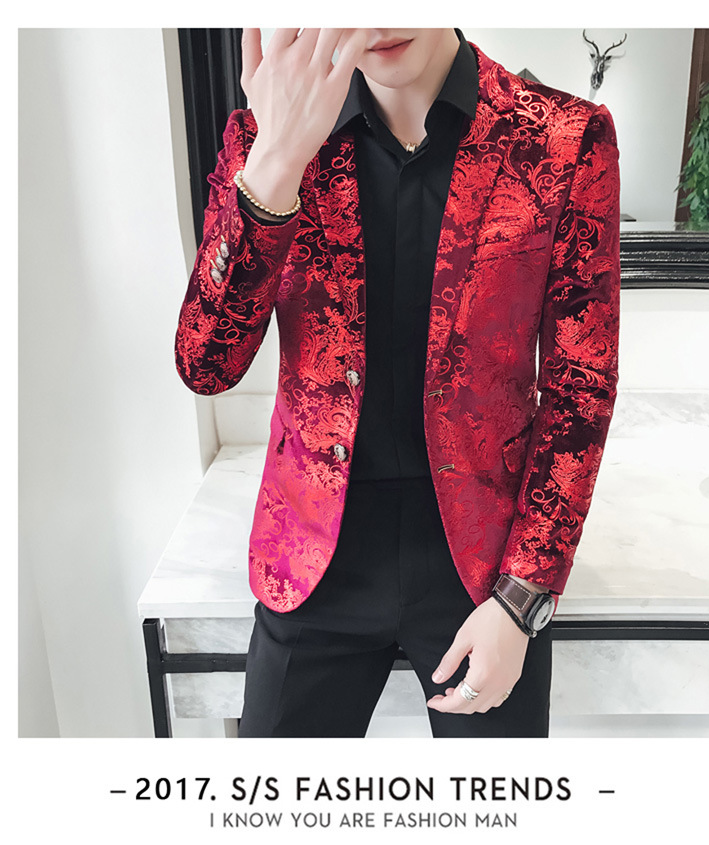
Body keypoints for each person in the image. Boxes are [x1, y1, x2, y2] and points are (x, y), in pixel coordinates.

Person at [174, 28, 620, 738]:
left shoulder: (563, 137)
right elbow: (206, 364)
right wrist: (277, 162)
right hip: (314, 557)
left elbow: (580, 387)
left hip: (484, 567)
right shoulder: (267, 135)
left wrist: (523, 597)